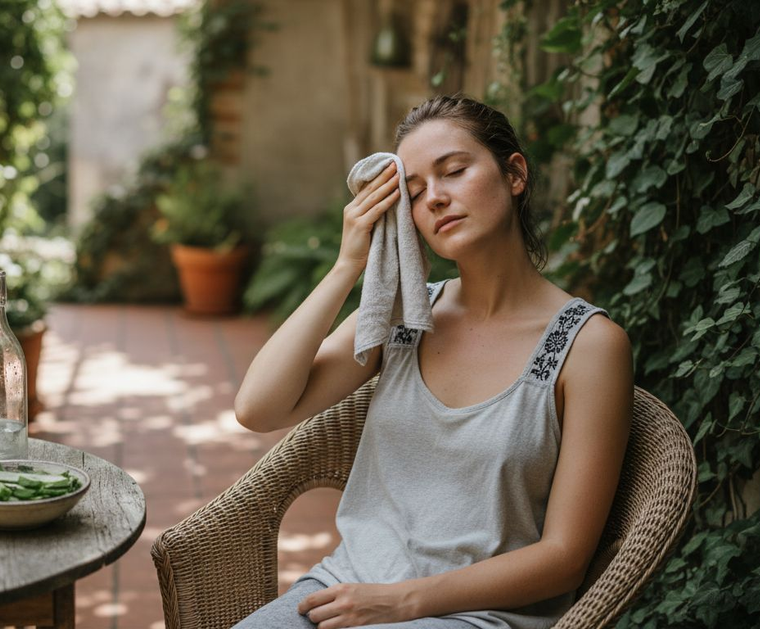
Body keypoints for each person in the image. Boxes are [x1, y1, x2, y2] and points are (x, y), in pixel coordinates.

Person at [231, 95, 633, 629]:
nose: (436, 199)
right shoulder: (404, 316)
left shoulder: (589, 346)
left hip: (472, 616)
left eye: (455, 171)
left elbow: (563, 559)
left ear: (514, 174)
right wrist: (346, 266)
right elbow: (258, 409)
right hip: (345, 591)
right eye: (415, 193)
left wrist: (401, 602)